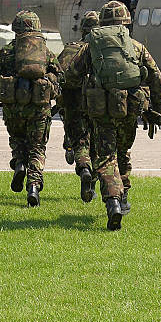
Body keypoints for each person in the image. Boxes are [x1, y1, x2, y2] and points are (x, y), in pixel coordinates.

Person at [65, 1, 161, 231]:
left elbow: (71, 75)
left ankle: (112, 202)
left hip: (101, 110)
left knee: (106, 156)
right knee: (123, 151)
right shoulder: (136, 47)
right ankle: (124, 195)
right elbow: (156, 78)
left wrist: (83, 92)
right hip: (130, 108)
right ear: (126, 23)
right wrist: (158, 109)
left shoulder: (92, 46)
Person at [0, 10, 62, 207]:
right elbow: (59, 77)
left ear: (16, 29)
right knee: (37, 148)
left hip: (13, 110)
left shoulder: (7, 51)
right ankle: (34, 187)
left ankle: (20, 163)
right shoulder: (46, 52)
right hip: (39, 110)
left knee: (18, 140)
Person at [57, 11, 99, 202]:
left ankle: (83, 169)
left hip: (74, 105)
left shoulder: (70, 49)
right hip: (98, 104)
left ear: (82, 30)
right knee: (97, 146)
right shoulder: (103, 50)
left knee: (80, 141)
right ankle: (91, 184)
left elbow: (58, 77)